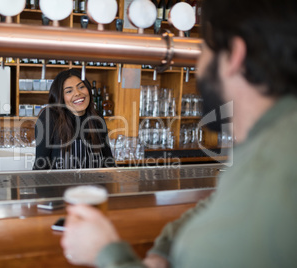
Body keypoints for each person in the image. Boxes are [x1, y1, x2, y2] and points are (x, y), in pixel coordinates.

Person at [61, 0, 297, 267]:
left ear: (234, 55)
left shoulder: (273, 168)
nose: (196, 68)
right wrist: (164, 248)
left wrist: (104, 252)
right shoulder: (268, 145)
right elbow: (218, 203)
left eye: (202, 52)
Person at [33, 69, 115, 170]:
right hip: (58, 185)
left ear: (88, 89)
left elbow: (108, 161)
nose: (77, 93)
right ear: (60, 97)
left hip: (93, 185)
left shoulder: (97, 118)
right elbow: (40, 167)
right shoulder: (49, 117)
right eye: (69, 91)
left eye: (81, 87)